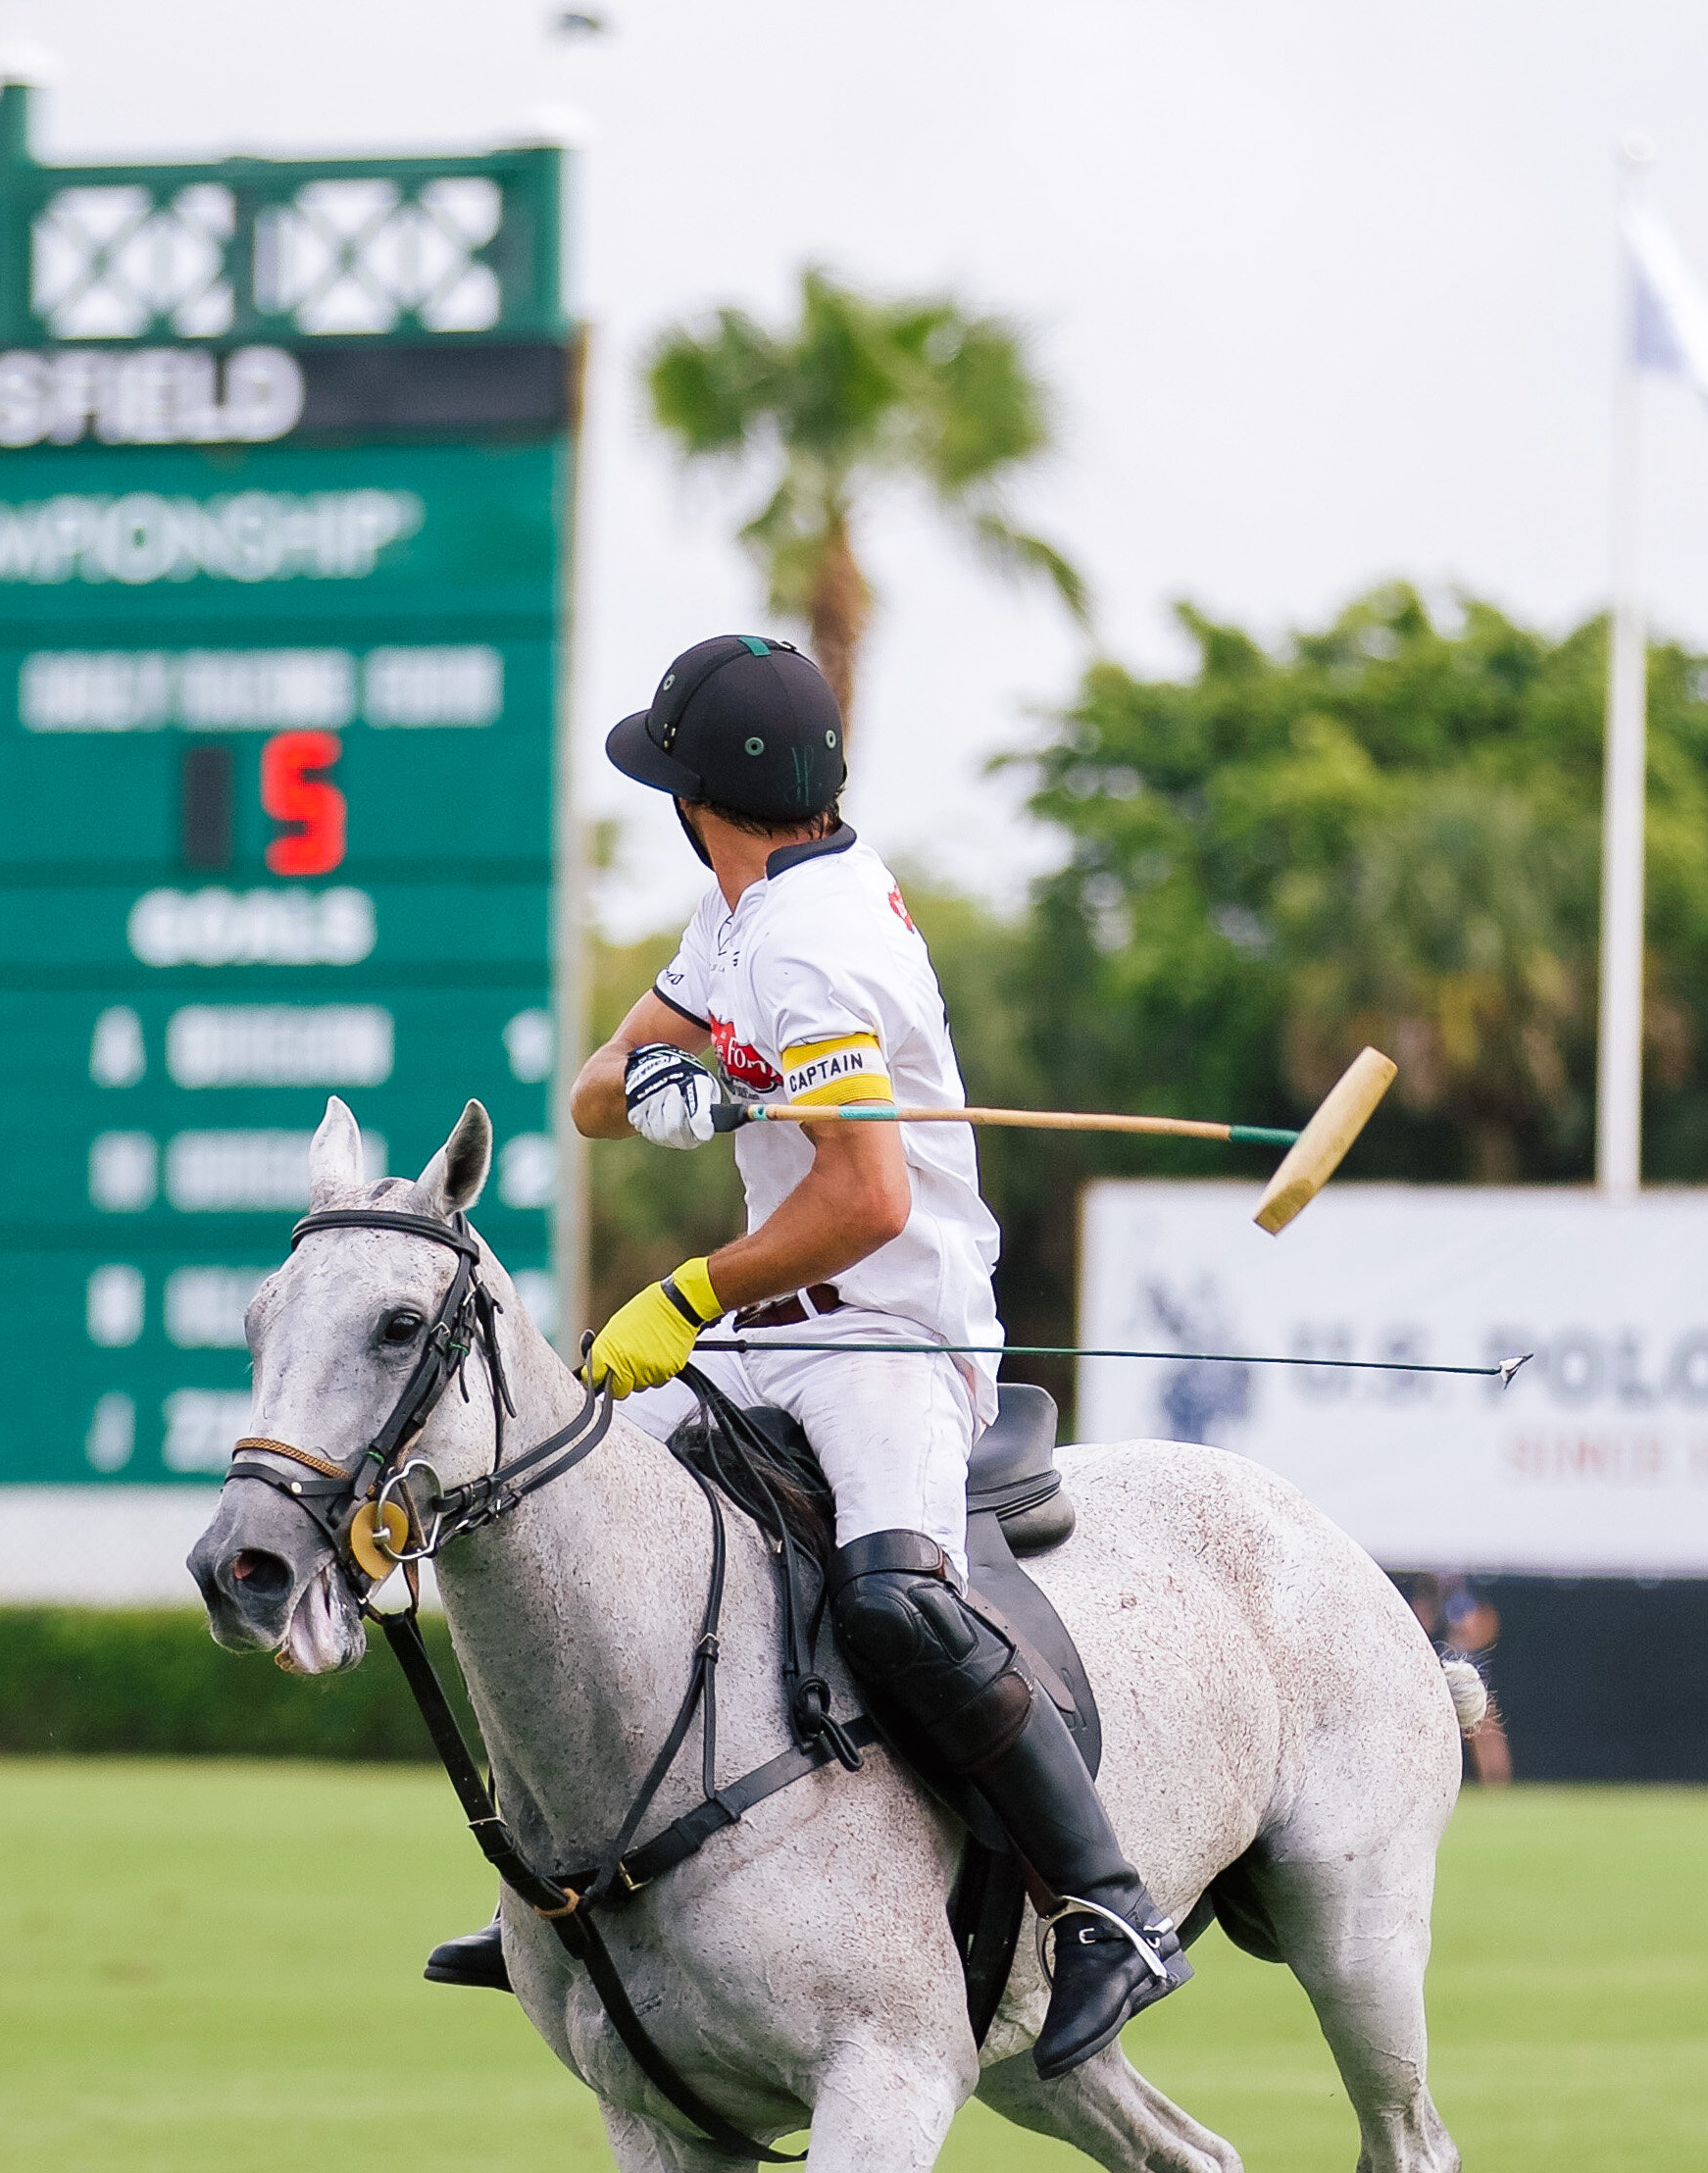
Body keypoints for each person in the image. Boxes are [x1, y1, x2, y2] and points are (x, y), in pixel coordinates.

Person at [427, 632, 1185, 2079]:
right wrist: (690, 1086)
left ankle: (1106, 1906)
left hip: (887, 1335)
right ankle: (553, 1883)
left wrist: (686, 1293)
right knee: (553, 1521)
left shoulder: (808, 941)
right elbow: (596, 1092)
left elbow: (867, 1199)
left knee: (896, 1602)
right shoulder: (745, 911)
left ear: (689, 794)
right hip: (769, 1337)